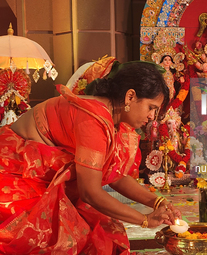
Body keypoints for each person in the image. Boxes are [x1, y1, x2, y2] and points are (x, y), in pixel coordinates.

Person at [0, 61, 182, 254]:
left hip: (41, 179)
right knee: (66, 239)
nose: (153, 117)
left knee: (99, 233)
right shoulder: (94, 118)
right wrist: (145, 220)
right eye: (151, 108)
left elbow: (115, 176)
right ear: (130, 96)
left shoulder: (114, 119)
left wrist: (158, 202)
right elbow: (90, 192)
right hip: (15, 172)